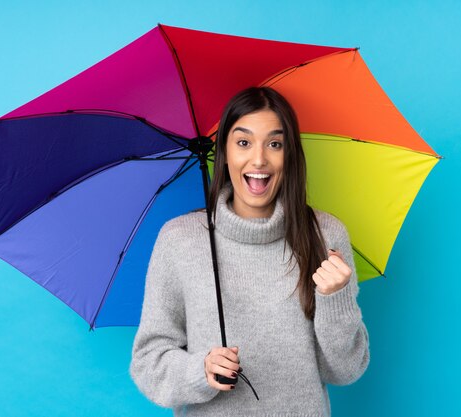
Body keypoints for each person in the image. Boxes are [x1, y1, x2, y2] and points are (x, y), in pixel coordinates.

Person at [130, 86, 370, 416]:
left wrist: (336, 298)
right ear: (225, 152)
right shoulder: (179, 240)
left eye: (275, 144)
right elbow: (149, 362)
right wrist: (200, 371)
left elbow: (345, 371)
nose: (259, 159)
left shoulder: (325, 235)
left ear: (290, 154)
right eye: (243, 142)